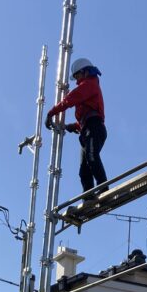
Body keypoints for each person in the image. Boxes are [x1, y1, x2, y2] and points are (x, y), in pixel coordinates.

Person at [45, 57, 108, 196]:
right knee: (84, 169)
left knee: (92, 156)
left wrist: (51, 113)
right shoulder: (88, 87)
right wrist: (73, 126)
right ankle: (88, 197)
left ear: (85, 72)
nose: (77, 80)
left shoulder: (89, 84)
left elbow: (70, 100)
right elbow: (86, 117)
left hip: (94, 127)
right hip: (88, 128)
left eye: (77, 75)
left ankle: (103, 189)